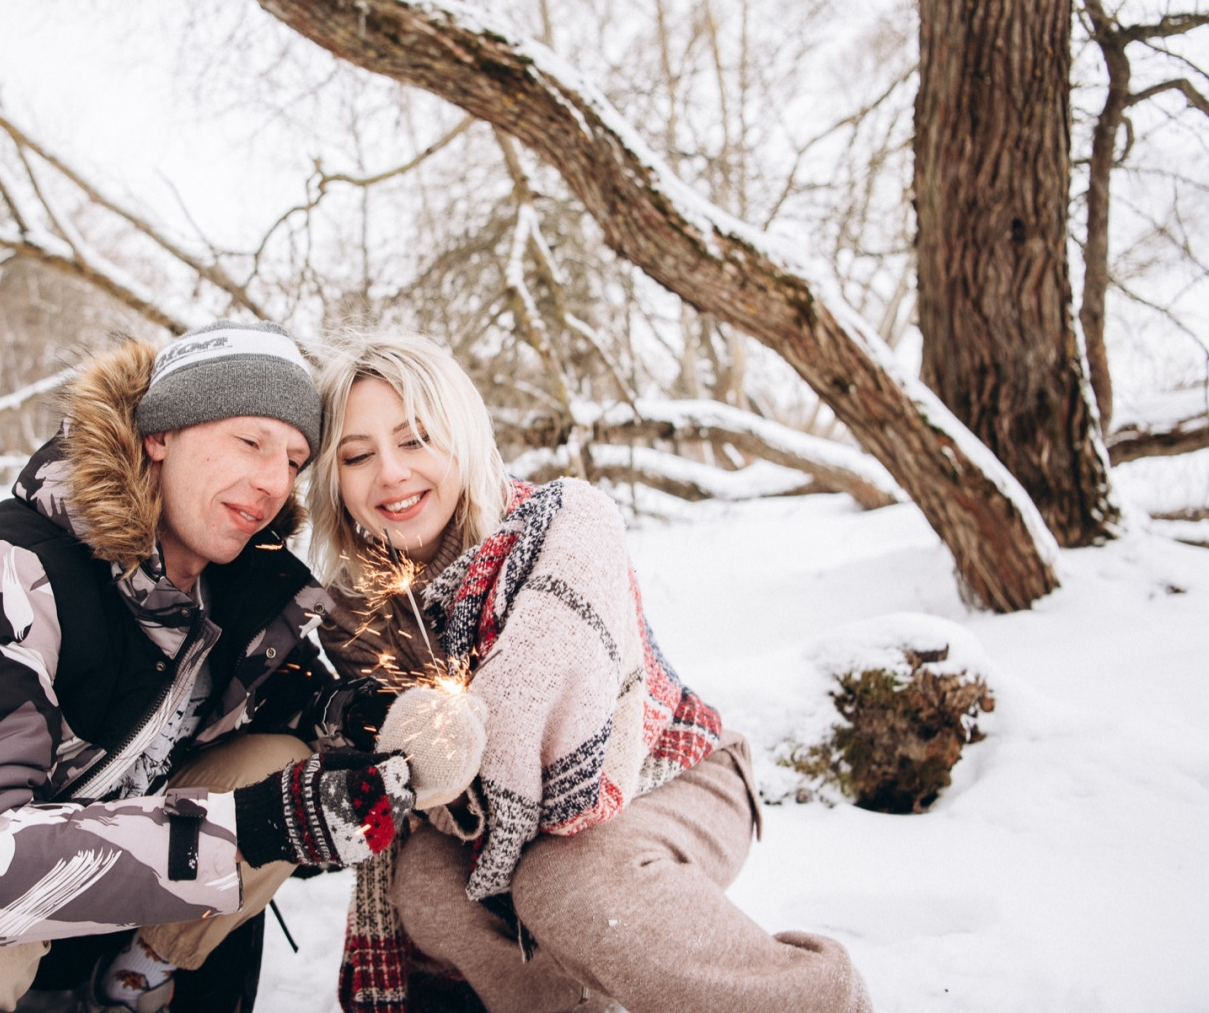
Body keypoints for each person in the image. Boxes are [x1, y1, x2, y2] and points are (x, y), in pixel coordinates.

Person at [0, 321, 413, 1013]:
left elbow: (294, 700)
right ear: (160, 435)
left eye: (295, 460)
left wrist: (367, 716)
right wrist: (253, 827)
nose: (273, 482)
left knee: (283, 761)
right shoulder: (13, 571)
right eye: (250, 442)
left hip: (107, 923)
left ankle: (131, 986)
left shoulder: (238, 584)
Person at [308, 333, 872, 1013]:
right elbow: (382, 762)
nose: (390, 474)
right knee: (425, 890)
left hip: (674, 770)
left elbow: (527, 748)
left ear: (462, 435)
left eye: (416, 439)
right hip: (495, 822)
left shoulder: (561, 523)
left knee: (563, 884)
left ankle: (815, 999)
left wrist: (426, 747)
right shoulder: (357, 607)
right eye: (357, 456)